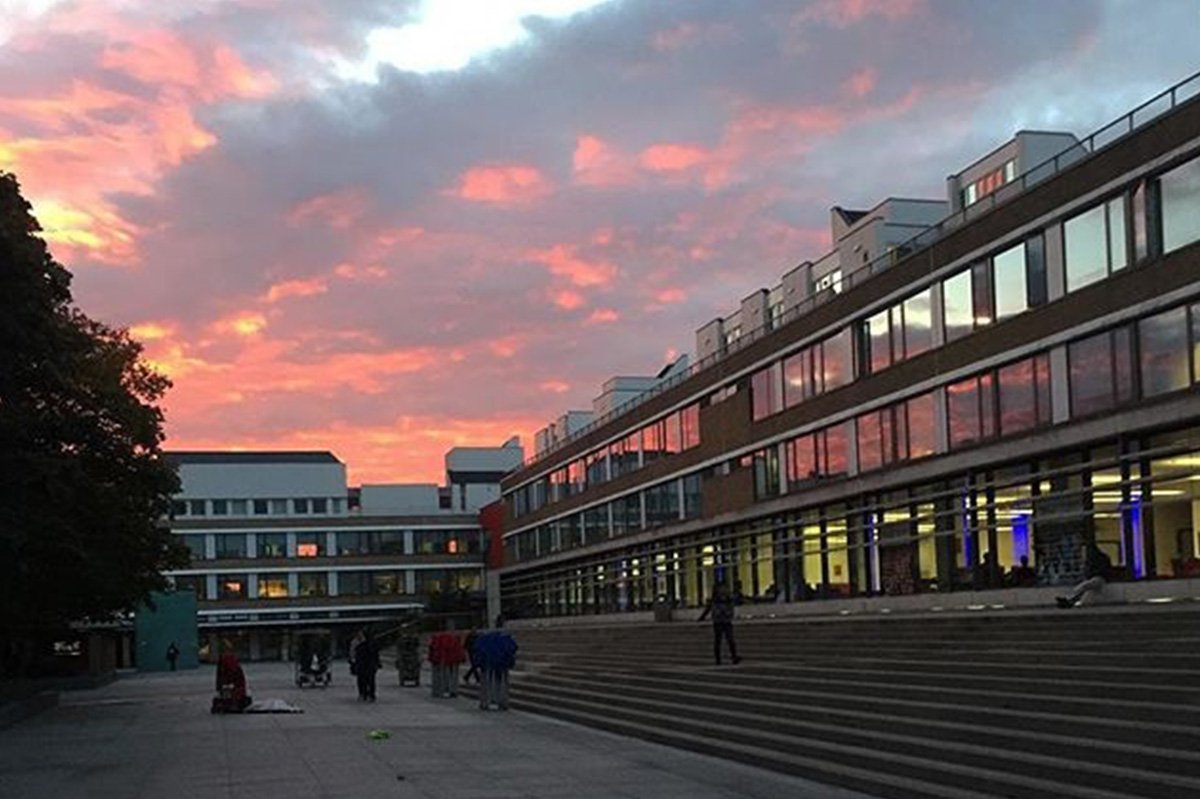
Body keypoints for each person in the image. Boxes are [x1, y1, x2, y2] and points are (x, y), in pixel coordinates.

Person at [1057, 543, 1113, 608]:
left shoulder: (1098, 559)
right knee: (1086, 592)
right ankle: (1073, 602)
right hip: (1097, 579)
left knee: (1084, 586)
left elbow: (1102, 571)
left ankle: (1069, 599)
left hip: (1100, 578)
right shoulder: (1091, 560)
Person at [698, 581, 741, 665]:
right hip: (718, 621)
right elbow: (708, 609)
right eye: (722, 588)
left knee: (730, 639)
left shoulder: (728, 599)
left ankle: (734, 656)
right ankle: (718, 659)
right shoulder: (715, 600)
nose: (724, 590)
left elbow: (731, 608)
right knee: (718, 640)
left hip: (726, 620)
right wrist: (701, 618)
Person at [354, 630, 381, 701]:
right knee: (367, 680)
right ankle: (367, 694)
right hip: (366, 666)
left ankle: (366, 694)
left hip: (366, 666)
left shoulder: (363, 646)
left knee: (367, 680)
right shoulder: (361, 646)